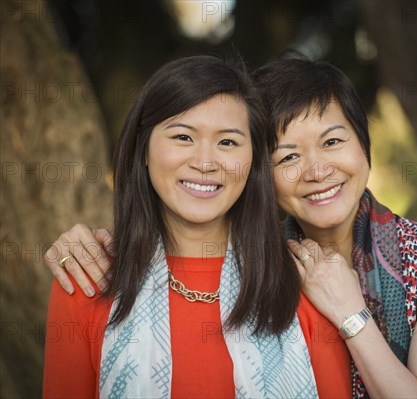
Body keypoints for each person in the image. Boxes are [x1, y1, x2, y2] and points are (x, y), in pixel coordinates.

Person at [45, 54, 417, 398]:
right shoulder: (272, 259)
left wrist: (351, 315)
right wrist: (82, 241)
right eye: (287, 156)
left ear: (363, 145)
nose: (316, 170)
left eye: (332, 142)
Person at [42, 55, 351, 398]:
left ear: (253, 162)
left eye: (228, 142)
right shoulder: (86, 278)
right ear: (143, 149)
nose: (205, 163)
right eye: (183, 137)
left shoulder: (306, 283)